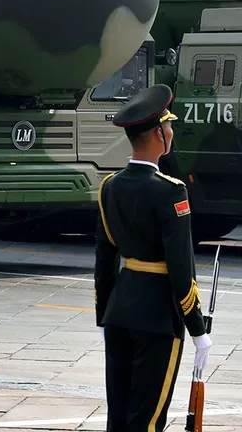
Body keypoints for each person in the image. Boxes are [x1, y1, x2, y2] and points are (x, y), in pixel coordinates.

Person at [95, 83, 211, 431]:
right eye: (169, 125)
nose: (172, 132)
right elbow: (180, 268)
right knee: (146, 421)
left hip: (119, 315)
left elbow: (104, 261)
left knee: (118, 420)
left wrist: (105, 315)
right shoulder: (171, 191)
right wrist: (197, 327)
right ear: (159, 134)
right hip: (158, 319)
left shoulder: (110, 187)